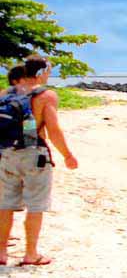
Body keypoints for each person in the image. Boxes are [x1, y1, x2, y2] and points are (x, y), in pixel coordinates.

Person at [0, 57, 78, 266]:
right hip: (34, 154)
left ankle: (1, 252)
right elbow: (53, 130)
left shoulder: (6, 93)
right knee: (35, 205)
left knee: (5, 204)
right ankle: (31, 254)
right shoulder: (46, 95)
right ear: (41, 72)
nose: (48, 75)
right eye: (48, 71)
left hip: (7, 153)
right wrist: (67, 155)